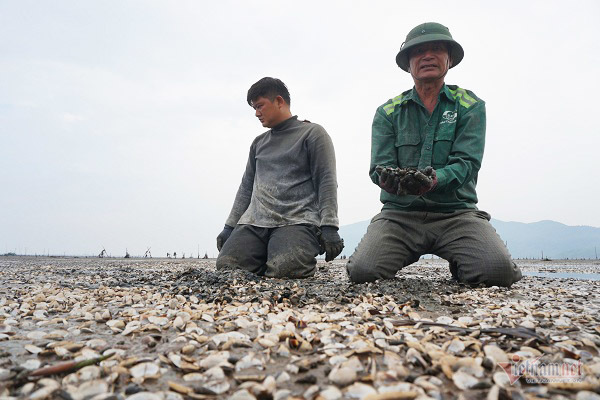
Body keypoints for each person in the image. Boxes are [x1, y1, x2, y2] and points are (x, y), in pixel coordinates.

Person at [346, 22, 522, 287]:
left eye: (437, 49)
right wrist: (386, 179)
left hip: (456, 213)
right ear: (408, 63)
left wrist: (434, 179)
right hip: (400, 215)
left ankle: (462, 257)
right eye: (418, 52)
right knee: (363, 272)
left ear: (449, 59)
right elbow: (378, 167)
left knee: (498, 273)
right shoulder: (388, 111)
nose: (427, 56)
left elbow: (467, 163)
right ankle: (390, 248)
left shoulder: (470, 105)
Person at [216, 77, 344, 278]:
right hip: (255, 222)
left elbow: (326, 181)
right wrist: (229, 227)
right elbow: (246, 187)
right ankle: (263, 254)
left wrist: (329, 226)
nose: (257, 113)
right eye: (254, 109)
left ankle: (284, 253)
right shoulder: (259, 143)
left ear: (279, 101)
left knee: (285, 270)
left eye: (260, 106)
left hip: (297, 220)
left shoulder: (313, 134)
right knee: (228, 266)